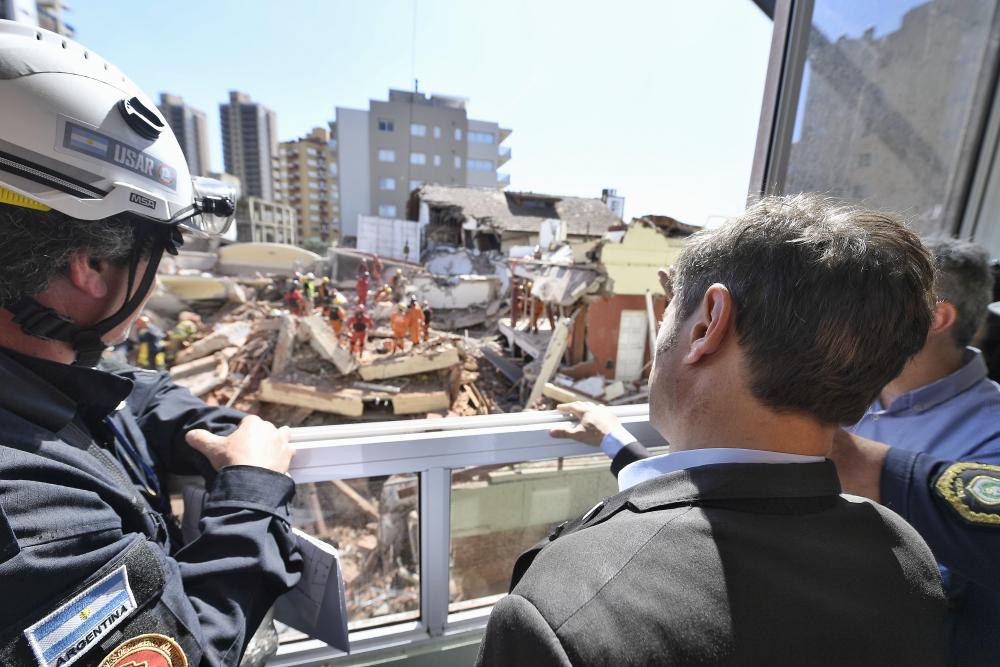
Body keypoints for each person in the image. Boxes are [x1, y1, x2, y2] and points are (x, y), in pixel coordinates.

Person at [479, 194, 947, 665]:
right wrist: (613, 439)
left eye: (668, 313)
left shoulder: (565, 607)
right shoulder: (904, 555)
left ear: (707, 326)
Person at [0, 22, 300, 667]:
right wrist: (252, 493)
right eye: (155, 250)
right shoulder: (30, 519)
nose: (157, 278)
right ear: (90, 263)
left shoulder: (33, 379)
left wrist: (202, 426)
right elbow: (195, 649)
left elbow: (124, 390)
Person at [834, 238, 1000, 665]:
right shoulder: (841, 387)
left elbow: (941, 587)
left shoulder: (991, 436)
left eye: (875, 300)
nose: (848, 313)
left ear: (936, 318)